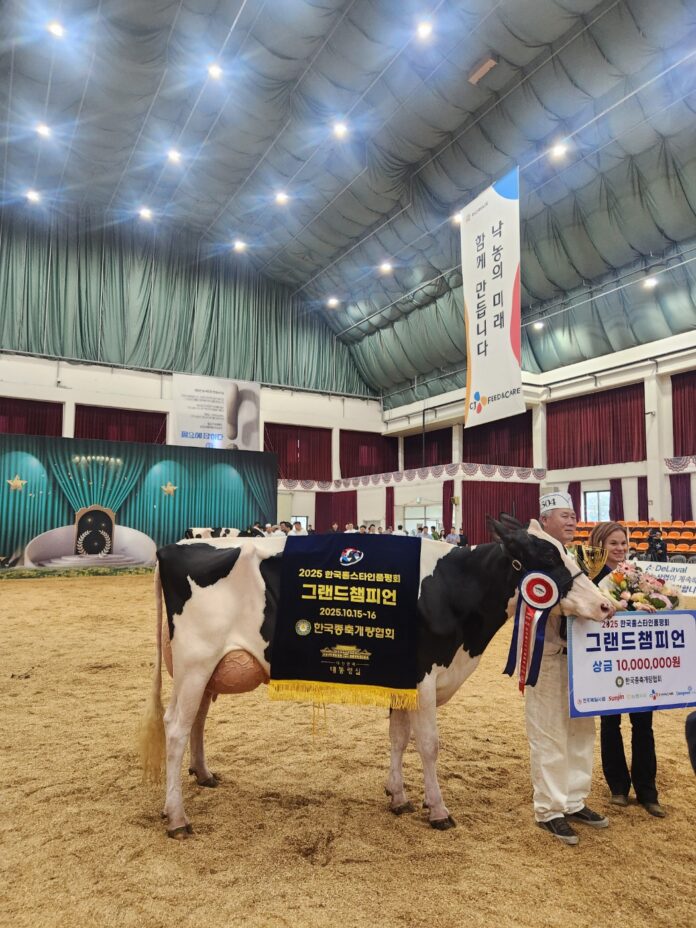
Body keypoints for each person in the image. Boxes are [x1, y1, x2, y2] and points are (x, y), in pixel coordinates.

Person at [524, 491, 609, 845]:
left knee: (581, 729)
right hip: (546, 655)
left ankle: (574, 799)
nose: (572, 520)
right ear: (545, 520)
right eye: (564, 515)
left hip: (578, 657)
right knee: (549, 732)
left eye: (573, 515)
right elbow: (550, 601)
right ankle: (549, 809)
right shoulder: (533, 554)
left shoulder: (569, 555)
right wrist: (593, 605)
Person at [588, 521, 665, 818]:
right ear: (600, 545)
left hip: (637, 662)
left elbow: (657, 605)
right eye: (613, 543)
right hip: (607, 664)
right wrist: (625, 607)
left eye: (623, 543)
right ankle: (618, 787)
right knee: (610, 724)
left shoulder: (637, 576)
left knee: (643, 725)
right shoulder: (589, 578)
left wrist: (650, 605)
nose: (620, 549)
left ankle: (648, 791)